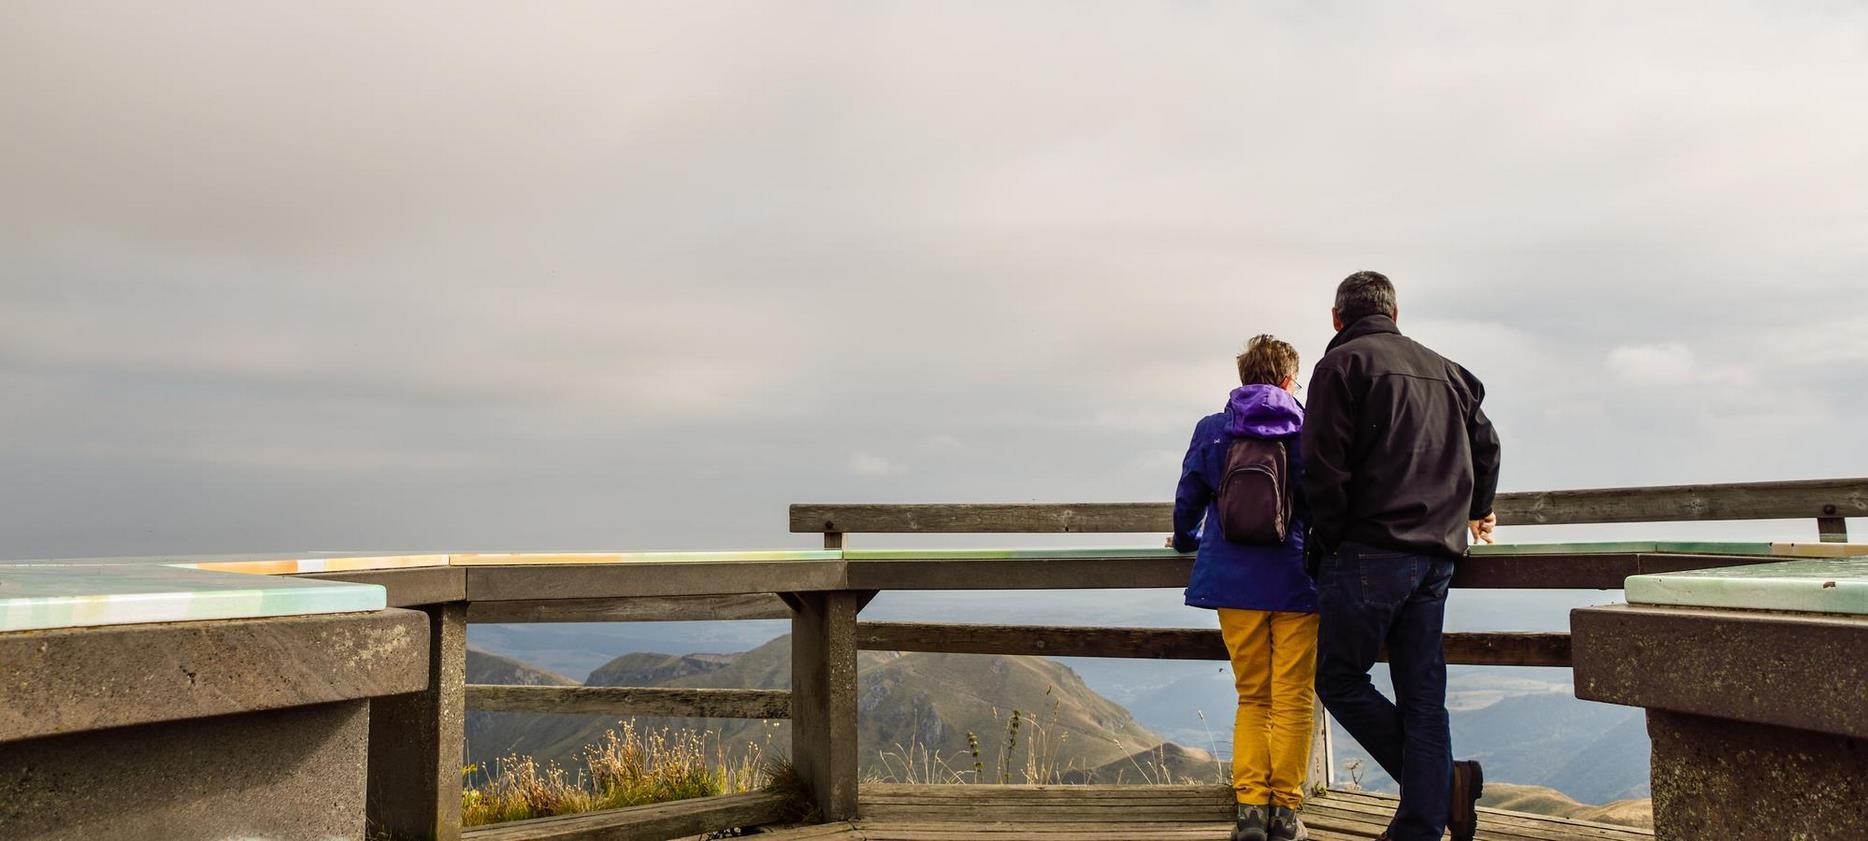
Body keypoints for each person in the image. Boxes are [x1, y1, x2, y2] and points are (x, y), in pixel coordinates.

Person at [1301, 271, 1502, 841]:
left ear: (1338, 318)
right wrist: (1474, 510)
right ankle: (1423, 819)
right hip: (1439, 556)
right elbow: (1487, 446)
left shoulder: (1340, 367)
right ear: (1395, 312)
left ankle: (1437, 794)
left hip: (1367, 551)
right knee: (1422, 694)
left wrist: (1334, 536)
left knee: (1339, 678)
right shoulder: (1449, 371)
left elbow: (1323, 466)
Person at [1171, 335, 1318, 841]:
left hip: (1232, 580)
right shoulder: (1309, 428)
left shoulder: (1213, 430)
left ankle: (1251, 811)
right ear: (1286, 379)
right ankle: (1287, 813)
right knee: (1295, 698)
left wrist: (1185, 540)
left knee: (1253, 697)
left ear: (1242, 377)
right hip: (1298, 580)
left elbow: (1189, 496)